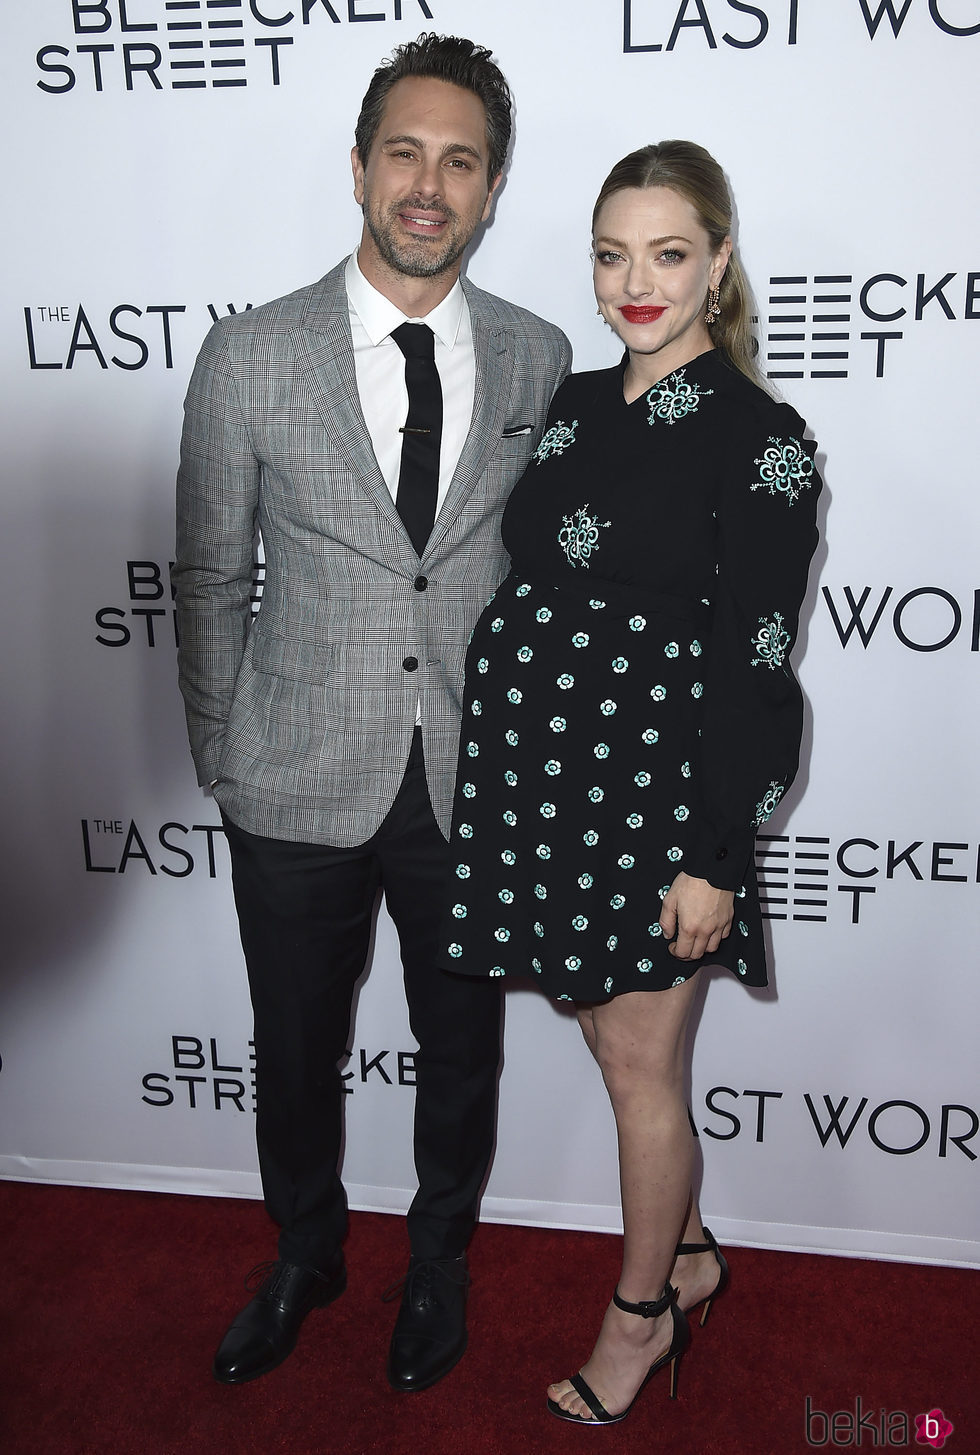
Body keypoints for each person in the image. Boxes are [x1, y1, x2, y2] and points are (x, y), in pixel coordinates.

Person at [173, 33, 570, 1392]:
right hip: (292, 768)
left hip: (472, 775)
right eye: (405, 151)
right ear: (358, 167)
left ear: (493, 188)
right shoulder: (248, 355)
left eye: (460, 160)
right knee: (295, 1037)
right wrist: (224, 752)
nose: (428, 184)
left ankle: (441, 1258)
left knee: (462, 1046)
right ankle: (305, 1248)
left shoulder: (537, 354)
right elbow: (213, 568)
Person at [441, 140, 822, 1423]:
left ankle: (640, 1318)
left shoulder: (759, 440)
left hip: (658, 805)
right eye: (612, 253)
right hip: (547, 789)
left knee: (637, 1074)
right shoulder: (574, 400)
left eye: (667, 253)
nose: (635, 281)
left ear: (717, 264)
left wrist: (716, 851)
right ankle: (696, 1255)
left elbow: (757, 662)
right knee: (611, 1042)